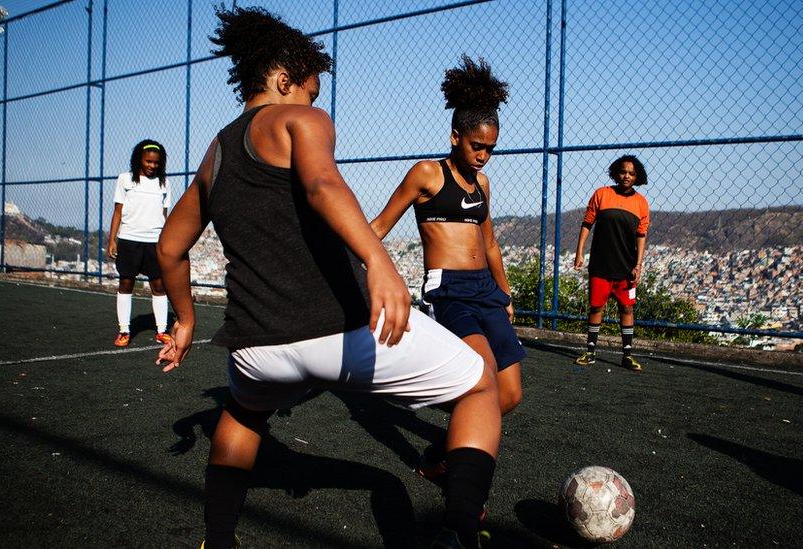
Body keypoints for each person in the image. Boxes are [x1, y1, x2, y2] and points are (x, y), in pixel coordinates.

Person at [155, 8, 501, 549]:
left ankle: (217, 539)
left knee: (244, 413)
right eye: (312, 92)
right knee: (481, 383)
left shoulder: (215, 156)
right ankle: (459, 531)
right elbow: (321, 185)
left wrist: (184, 321)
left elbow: (169, 248)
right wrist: (379, 261)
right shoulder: (301, 120)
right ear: (284, 79)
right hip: (334, 329)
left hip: (255, 349)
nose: (316, 105)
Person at [370, 56, 524, 478]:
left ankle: (438, 454)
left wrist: (504, 292)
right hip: (449, 291)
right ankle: (463, 485)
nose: (484, 156)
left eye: (491, 148)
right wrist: (339, 257)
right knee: (485, 382)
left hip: (486, 290)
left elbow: (489, 242)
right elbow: (379, 226)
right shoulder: (426, 174)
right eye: (477, 146)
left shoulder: (483, 184)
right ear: (456, 136)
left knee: (510, 394)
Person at [572, 155, 650, 371]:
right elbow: (587, 223)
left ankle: (627, 355)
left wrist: (638, 265)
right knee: (596, 307)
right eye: (624, 171)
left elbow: (641, 236)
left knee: (627, 308)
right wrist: (579, 252)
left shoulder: (641, 203)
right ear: (616, 172)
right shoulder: (602, 194)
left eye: (632, 173)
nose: (627, 176)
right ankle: (590, 352)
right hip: (600, 264)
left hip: (626, 268)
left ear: (637, 177)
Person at [107, 139, 172, 347]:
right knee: (126, 283)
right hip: (128, 240)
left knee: (159, 285)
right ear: (139, 160)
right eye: (148, 161)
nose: (152, 165)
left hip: (154, 241)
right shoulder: (125, 179)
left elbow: (165, 214)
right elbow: (117, 211)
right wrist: (112, 240)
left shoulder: (164, 183)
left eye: (156, 163)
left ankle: (161, 330)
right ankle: (124, 330)